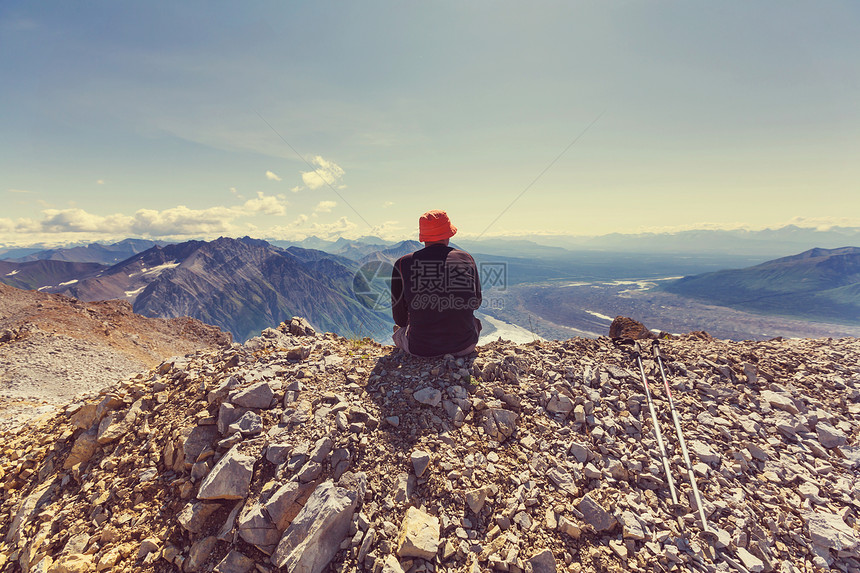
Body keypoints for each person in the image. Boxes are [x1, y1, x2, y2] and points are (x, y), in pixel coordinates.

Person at [391, 210, 482, 357]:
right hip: (465, 346)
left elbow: (400, 319)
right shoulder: (466, 258)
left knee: (399, 332)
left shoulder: (403, 263)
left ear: (422, 236)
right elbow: (476, 302)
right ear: (449, 233)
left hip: (420, 349)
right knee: (476, 322)